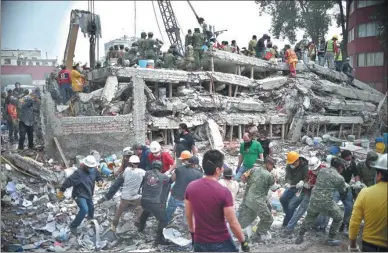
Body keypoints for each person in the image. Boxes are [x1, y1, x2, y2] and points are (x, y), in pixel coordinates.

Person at [185, 149, 249, 252]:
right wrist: (243, 242)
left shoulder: (190, 187)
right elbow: (232, 223)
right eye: (222, 167)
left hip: (199, 241)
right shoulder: (224, 192)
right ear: (218, 170)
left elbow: (188, 215)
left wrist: (193, 234)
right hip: (221, 242)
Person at [295, 157, 348, 246]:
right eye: (342, 168)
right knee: (339, 217)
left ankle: (300, 236)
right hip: (326, 202)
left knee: (309, 218)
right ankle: (330, 239)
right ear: (340, 167)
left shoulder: (322, 170)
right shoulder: (340, 178)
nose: (342, 170)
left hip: (314, 198)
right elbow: (343, 191)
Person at [348, 154, 387, 252]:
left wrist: (352, 245)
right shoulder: (360, 165)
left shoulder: (365, 193)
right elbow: (357, 174)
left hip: (370, 245)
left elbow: (354, 222)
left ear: (379, 174)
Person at [57, 155, 103, 234]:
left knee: (91, 207)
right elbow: (68, 181)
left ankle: (90, 219)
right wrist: (61, 191)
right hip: (79, 194)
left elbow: (98, 176)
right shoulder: (79, 173)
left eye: (92, 167)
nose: (91, 169)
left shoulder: (94, 170)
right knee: (84, 209)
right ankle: (73, 226)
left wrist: (100, 181)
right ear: (85, 165)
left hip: (88, 193)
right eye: (89, 167)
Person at [283, 157, 329, 236]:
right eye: (312, 170)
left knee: (323, 212)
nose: (314, 171)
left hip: (321, 195)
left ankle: (322, 228)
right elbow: (307, 177)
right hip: (309, 192)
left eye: (315, 170)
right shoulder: (310, 170)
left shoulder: (326, 172)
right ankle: (289, 228)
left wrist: (314, 186)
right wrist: (305, 183)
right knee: (300, 210)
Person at [238, 158, 279, 241]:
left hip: (248, 198)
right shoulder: (269, 175)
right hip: (258, 201)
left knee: (250, 216)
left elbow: (243, 177)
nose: (272, 168)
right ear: (268, 164)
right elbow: (274, 188)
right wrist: (279, 185)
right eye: (272, 166)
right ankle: (259, 235)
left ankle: (236, 230)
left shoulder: (253, 169)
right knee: (268, 219)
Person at [138, 161, 171, 245]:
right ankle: (159, 239)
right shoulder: (164, 176)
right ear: (161, 168)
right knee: (163, 220)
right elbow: (168, 185)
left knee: (146, 211)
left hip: (144, 200)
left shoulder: (146, 173)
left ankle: (141, 228)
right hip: (154, 202)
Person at [166, 152, 203, 227]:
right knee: (187, 214)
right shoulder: (199, 174)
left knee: (169, 212)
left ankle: (165, 222)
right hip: (187, 199)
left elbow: (172, 179)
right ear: (195, 164)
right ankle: (185, 226)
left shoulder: (179, 169)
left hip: (175, 195)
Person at [110, 155, 145, 232]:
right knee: (144, 204)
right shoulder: (141, 172)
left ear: (130, 163)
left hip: (124, 197)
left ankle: (113, 226)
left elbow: (122, 177)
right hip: (134, 197)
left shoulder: (126, 170)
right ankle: (137, 220)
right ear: (138, 163)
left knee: (119, 211)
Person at [280, 151, 308, 227]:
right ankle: (290, 215)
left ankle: (286, 223)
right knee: (282, 199)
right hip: (292, 187)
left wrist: (302, 182)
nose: (292, 165)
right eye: (291, 163)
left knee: (291, 206)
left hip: (301, 190)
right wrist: (287, 183)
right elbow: (288, 176)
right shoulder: (289, 165)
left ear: (298, 160)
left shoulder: (305, 167)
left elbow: (307, 177)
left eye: (293, 163)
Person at [335, 150, 360, 234]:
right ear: (342, 158)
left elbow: (356, 174)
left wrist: (357, 182)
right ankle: (323, 226)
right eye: (347, 159)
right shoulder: (337, 163)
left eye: (350, 158)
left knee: (350, 207)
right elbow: (333, 174)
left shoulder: (352, 164)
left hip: (347, 187)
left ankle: (344, 224)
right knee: (331, 205)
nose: (349, 160)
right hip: (336, 187)